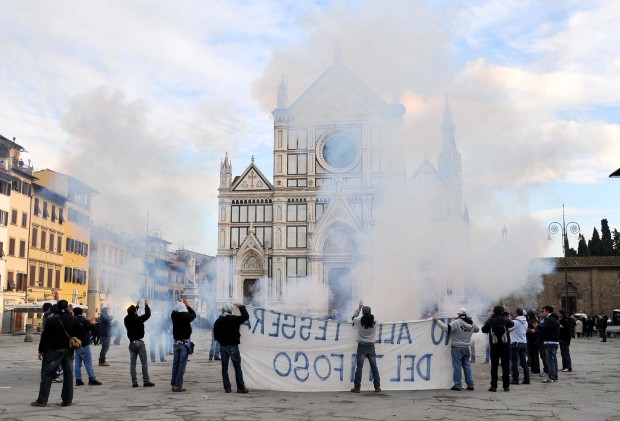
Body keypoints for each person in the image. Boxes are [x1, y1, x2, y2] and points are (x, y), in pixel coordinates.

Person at [31, 299, 79, 407]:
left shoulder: (51, 320)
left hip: (54, 350)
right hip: (69, 350)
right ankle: (67, 400)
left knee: (47, 374)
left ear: (57, 307)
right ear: (67, 307)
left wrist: (41, 350)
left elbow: (45, 337)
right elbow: (78, 334)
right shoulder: (73, 319)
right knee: (68, 375)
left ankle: (42, 401)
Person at [432, 308, 479, 391]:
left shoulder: (457, 322)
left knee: (457, 366)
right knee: (467, 365)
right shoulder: (471, 323)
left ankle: (457, 385)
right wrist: (472, 320)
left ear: (459, 315)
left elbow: (446, 328)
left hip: (457, 348)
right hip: (467, 347)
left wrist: (437, 321)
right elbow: (477, 329)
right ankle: (470, 384)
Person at [213, 302, 250, 393]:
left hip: (223, 347)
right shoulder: (234, 319)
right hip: (233, 346)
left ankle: (227, 388)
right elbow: (246, 316)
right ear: (230, 311)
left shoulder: (217, 321)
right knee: (237, 367)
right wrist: (241, 307)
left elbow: (216, 336)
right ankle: (240, 387)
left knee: (224, 368)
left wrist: (222, 340)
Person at [481, 305, 514, 392]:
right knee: (505, 366)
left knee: (494, 367)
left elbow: (483, 329)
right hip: (505, 346)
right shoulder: (505, 320)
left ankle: (494, 386)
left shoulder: (490, 321)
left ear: (494, 312)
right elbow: (512, 324)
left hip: (494, 346)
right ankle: (506, 386)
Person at [350, 301, 381, 393]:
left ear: (363, 313)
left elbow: (352, 317)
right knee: (374, 367)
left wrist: (359, 308)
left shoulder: (359, 320)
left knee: (359, 368)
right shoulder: (375, 320)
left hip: (361, 346)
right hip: (371, 346)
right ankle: (377, 387)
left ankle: (357, 387)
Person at [124, 299, 155, 388]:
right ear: (135, 312)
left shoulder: (126, 319)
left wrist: (136, 307)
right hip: (139, 343)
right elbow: (147, 315)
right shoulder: (138, 319)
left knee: (132, 364)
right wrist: (146, 306)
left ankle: (134, 382)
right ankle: (146, 381)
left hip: (131, 344)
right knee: (144, 363)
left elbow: (130, 315)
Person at [170, 297, 196, 392]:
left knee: (175, 364)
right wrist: (188, 305)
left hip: (176, 343)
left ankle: (174, 383)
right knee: (182, 365)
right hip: (184, 344)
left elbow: (174, 311)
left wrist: (179, 304)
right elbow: (194, 314)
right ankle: (178, 385)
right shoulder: (185, 316)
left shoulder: (174, 316)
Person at [73, 307, 102, 386]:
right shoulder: (84, 320)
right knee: (88, 363)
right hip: (85, 344)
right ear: (82, 313)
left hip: (76, 345)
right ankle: (92, 379)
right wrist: (92, 323)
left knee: (77, 364)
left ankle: (78, 379)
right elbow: (94, 329)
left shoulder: (72, 320)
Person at [535, 305, 560, 383]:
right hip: (554, 341)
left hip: (550, 341)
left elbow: (545, 329)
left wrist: (537, 327)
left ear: (548, 311)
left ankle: (551, 377)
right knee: (553, 359)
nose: (543, 312)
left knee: (550, 360)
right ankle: (554, 376)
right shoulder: (555, 319)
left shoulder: (550, 319)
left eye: (544, 311)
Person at [509, 308, 530, 385]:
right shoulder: (526, 322)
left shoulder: (515, 322)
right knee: (524, 362)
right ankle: (527, 379)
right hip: (523, 343)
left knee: (514, 362)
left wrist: (509, 320)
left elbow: (508, 328)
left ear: (516, 313)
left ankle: (515, 380)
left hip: (515, 343)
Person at [525, 310, 540, 375]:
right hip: (537, 340)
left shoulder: (529, 322)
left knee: (531, 355)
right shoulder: (537, 321)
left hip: (530, 340)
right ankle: (537, 369)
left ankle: (533, 369)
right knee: (536, 355)